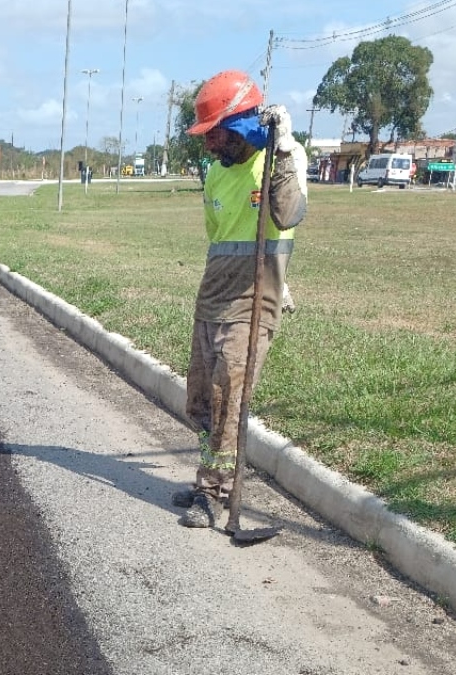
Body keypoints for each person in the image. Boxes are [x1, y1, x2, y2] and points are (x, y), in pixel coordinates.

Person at [174, 70, 308, 528]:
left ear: (242, 126)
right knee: (199, 400)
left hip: (254, 300)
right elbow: (219, 241)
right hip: (212, 298)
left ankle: (214, 492)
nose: (209, 145)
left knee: (228, 398)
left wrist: (284, 147)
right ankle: (208, 477)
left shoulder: (279, 161)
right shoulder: (214, 174)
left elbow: (289, 214)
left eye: (216, 135)